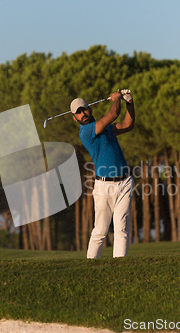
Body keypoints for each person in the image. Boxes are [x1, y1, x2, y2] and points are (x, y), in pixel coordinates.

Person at [71, 89, 135, 258]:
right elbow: (113, 113)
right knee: (100, 230)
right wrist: (116, 99)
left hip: (125, 182)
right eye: (78, 113)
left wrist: (129, 103)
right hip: (105, 186)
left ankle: (120, 266)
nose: (83, 114)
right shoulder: (85, 132)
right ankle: (91, 265)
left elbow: (128, 124)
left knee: (122, 229)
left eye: (84, 109)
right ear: (74, 118)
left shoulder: (106, 129)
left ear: (89, 109)